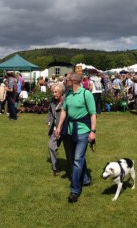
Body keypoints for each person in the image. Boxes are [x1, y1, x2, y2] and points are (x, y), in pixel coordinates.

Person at [55, 73, 96, 203]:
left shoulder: (86, 94)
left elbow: (93, 114)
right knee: (74, 158)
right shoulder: (68, 94)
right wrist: (59, 127)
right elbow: (64, 111)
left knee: (77, 159)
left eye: (67, 80)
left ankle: (74, 190)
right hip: (70, 130)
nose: (65, 81)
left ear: (73, 81)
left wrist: (93, 131)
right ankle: (85, 179)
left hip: (83, 131)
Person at [46, 83, 71, 176]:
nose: (54, 94)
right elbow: (49, 111)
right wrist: (48, 121)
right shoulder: (53, 101)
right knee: (51, 147)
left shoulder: (67, 101)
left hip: (66, 129)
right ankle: (56, 168)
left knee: (69, 151)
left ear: (61, 92)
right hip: (55, 129)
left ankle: (71, 169)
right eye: (53, 92)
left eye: (56, 92)